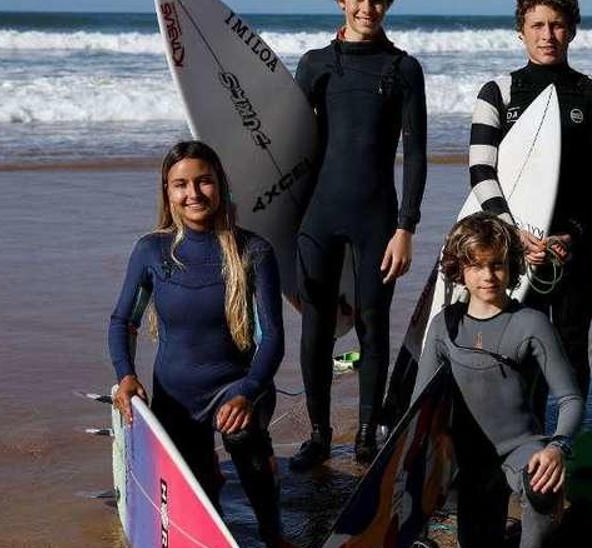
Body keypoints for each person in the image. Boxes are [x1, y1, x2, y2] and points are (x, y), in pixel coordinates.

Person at [108, 141, 286, 545]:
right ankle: (212, 489)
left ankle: (273, 533)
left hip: (239, 387)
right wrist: (127, 375)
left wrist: (246, 391)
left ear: (219, 184)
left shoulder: (253, 251)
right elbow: (123, 321)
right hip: (176, 396)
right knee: (201, 492)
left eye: (203, 181)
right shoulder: (151, 251)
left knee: (243, 440)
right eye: (181, 184)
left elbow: (271, 337)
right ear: (167, 192)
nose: (193, 194)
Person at [290, 0, 427, 469]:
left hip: (378, 220)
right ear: (341, 1)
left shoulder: (404, 69)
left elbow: (417, 154)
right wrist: (281, 224)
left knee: (373, 323)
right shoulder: (315, 66)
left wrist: (406, 227)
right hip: (317, 217)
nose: (367, 7)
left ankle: (366, 433)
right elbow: (287, 148)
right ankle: (319, 434)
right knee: (316, 327)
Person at [465, 0, 592, 402]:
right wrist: (511, 233)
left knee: (571, 344)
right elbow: (481, 171)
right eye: (537, 25)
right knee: (517, 344)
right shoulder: (497, 92)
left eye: (557, 25)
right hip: (514, 247)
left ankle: (570, 441)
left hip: (575, 246)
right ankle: (524, 439)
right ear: (521, 30)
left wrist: (570, 234)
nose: (547, 36)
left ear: (572, 29)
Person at [412, 213, 584, 548]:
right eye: (476, 266)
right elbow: (419, 406)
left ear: (513, 266)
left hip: (521, 449)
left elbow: (571, 398)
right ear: (459, 269)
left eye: (498, 265)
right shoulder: (443, 326)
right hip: (465, 455)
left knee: (541, 484)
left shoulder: (531, 323)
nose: (488, 276)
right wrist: (436, 441)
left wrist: (557, 447)